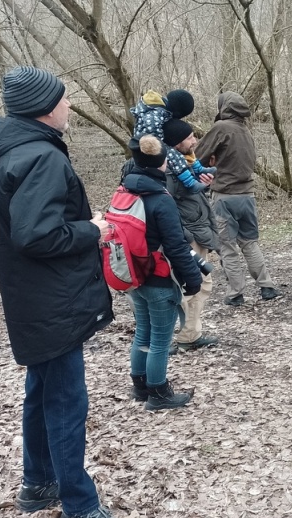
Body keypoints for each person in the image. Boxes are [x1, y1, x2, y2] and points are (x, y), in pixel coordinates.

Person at [0, 66, 131, 518]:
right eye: (64, 100)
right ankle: (81, 506)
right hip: (55, 301)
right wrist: (92, 230)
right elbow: (36, 233)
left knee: (41, 390)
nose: (70, 107)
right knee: (65, 401)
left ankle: (38, 484)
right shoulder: (41, 157)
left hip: (29, 297)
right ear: (46, 107)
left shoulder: (4, 153)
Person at [120, 135, 201, 410]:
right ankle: (159, 393)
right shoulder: (160, 198)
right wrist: (193, 278)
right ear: (161, 163)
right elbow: (176, 246)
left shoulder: (124, 190)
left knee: (143, 330)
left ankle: (140, 385)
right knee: (161, 339)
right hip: (158, 277)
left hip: (134, 275)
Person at [196, 92, 281, 306]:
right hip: (248, 196)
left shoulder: (221, 128)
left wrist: (210, 162)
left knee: (228, 246)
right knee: (250, 243)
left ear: (224, 108)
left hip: (225, 196)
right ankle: (267, 286)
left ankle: (236, 293)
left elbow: (198, 155)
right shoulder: (245, 130)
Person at [160, 119, 221, 352]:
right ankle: (182, 336)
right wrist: (183, 234)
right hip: (189, 233)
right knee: (194, 283)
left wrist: (202, 183)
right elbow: (169, 203)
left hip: (193, 230)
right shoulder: (171, 169)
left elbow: (190, 192)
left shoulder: (181, 163)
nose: (195, 141)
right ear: (177, 142)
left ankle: (189, 333)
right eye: (190, 137)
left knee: (198, 283)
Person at [130, 89, 213, 192]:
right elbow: (155, 138)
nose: (194, 141)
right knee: (174, 156)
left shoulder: (161, 110)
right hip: (149, 144)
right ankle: (190, 183)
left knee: (185, 150)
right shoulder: (153, 116)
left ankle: (199, 169)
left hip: (155, 138)